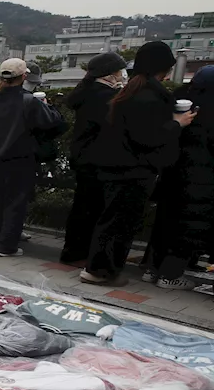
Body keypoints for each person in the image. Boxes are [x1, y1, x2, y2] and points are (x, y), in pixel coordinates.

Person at [79, 42, 195, 286]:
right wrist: (177, 123)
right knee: (120, 224)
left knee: (110, 220)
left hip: (116, 167)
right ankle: (101, 271)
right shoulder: (148, 96)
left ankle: (97, 269)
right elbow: (147, 137)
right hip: (132, 169)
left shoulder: (131, 90)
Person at [0, 59, 68, 257]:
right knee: (15, 203)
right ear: (24, 76)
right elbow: (56, 123)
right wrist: (48, 105)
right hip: (20, 158)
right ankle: (6, 246)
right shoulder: (29, 101)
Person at [146, 64, 214, 289]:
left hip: (172, 172)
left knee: (166, 221)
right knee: (189, 227)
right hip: (201, 178)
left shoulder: (179, 101)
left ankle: (152, 269)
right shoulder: (209, 108)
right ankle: (170, 275)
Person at [60, 52, 128, 265]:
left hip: (83, 156)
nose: (122, 75)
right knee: (92, 209)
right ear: (109, 73)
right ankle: (79, 253)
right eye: (120, 71)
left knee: (82, 206)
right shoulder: (105, 97)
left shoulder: (87, 92)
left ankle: (72, 251)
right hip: (97, 158)